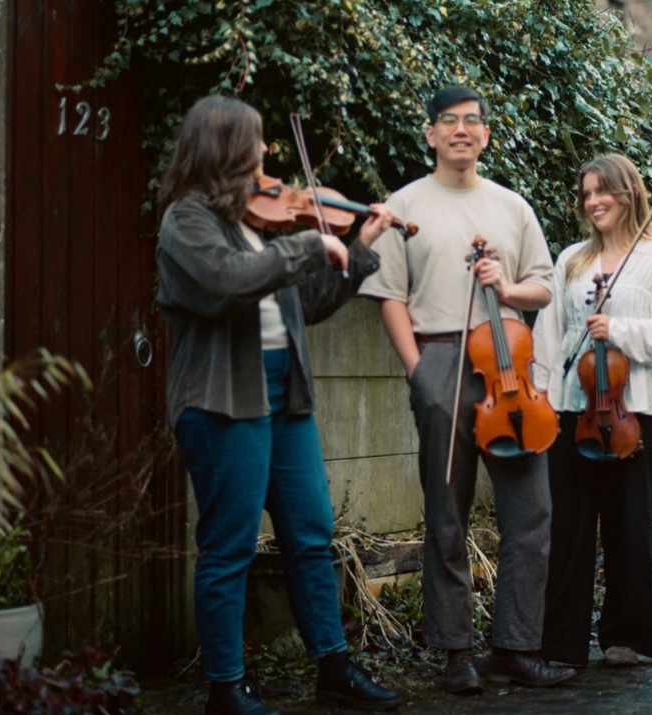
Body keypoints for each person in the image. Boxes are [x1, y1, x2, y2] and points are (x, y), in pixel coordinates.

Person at [155, 95, 402, 715]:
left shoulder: (258, 225)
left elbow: (307, 305)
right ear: (223, 147)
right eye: (256, 142)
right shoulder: (187, 222)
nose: (267, 155)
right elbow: (226, 285)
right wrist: (311, 246)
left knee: (312, 534)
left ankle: (334, 668)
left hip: (283, 394)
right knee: (230, 543)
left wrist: (360, 247)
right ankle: (226, 685)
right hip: (221, 399)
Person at [357, 85, 576, 694]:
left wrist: (505, 288)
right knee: (446, 515)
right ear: (430, 134)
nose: (460, 130)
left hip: (510, 370)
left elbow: (542, 288)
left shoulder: (512, 207)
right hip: (442, 359)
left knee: (531, 513)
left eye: (471, 121)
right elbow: (390, 298)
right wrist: (417, 371)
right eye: (447, 121)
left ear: (485, 134)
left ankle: (516, 646)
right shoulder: (405, 203)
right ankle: (455, 650)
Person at [531, 154, 652, 668]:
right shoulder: (571, 260)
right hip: (573, 409)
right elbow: (549, 335)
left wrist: (618, 330)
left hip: (636, 409)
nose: (594, 201)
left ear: (629, 195)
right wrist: (544, 394)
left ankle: (627, 635)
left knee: (630, 523)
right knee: (569, 527)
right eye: (587, 194)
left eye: (604, 191)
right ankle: (561, 642)